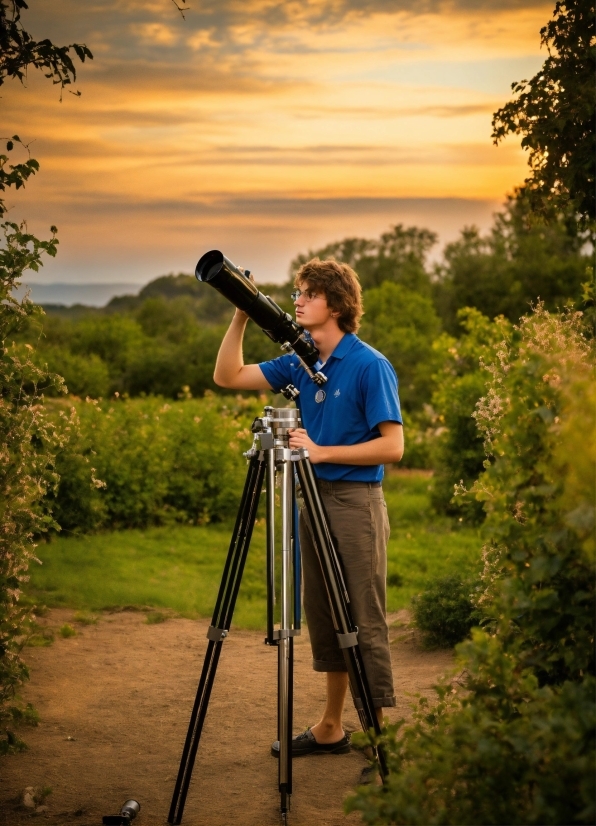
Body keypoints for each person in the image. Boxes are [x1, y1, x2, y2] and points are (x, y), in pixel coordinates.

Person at [213, 257, 404, 756]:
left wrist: (321, 452)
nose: (296, 300)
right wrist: (241, 312)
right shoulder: (301, 361)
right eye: (297, 292)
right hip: (313, 500)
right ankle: (331, 727)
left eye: (308, 293)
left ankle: (381, 746)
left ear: (336, 305)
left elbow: (393, 447)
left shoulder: (368, 364)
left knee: (361, 617)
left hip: (355, 502)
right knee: (325, 616)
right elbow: (228, 375)